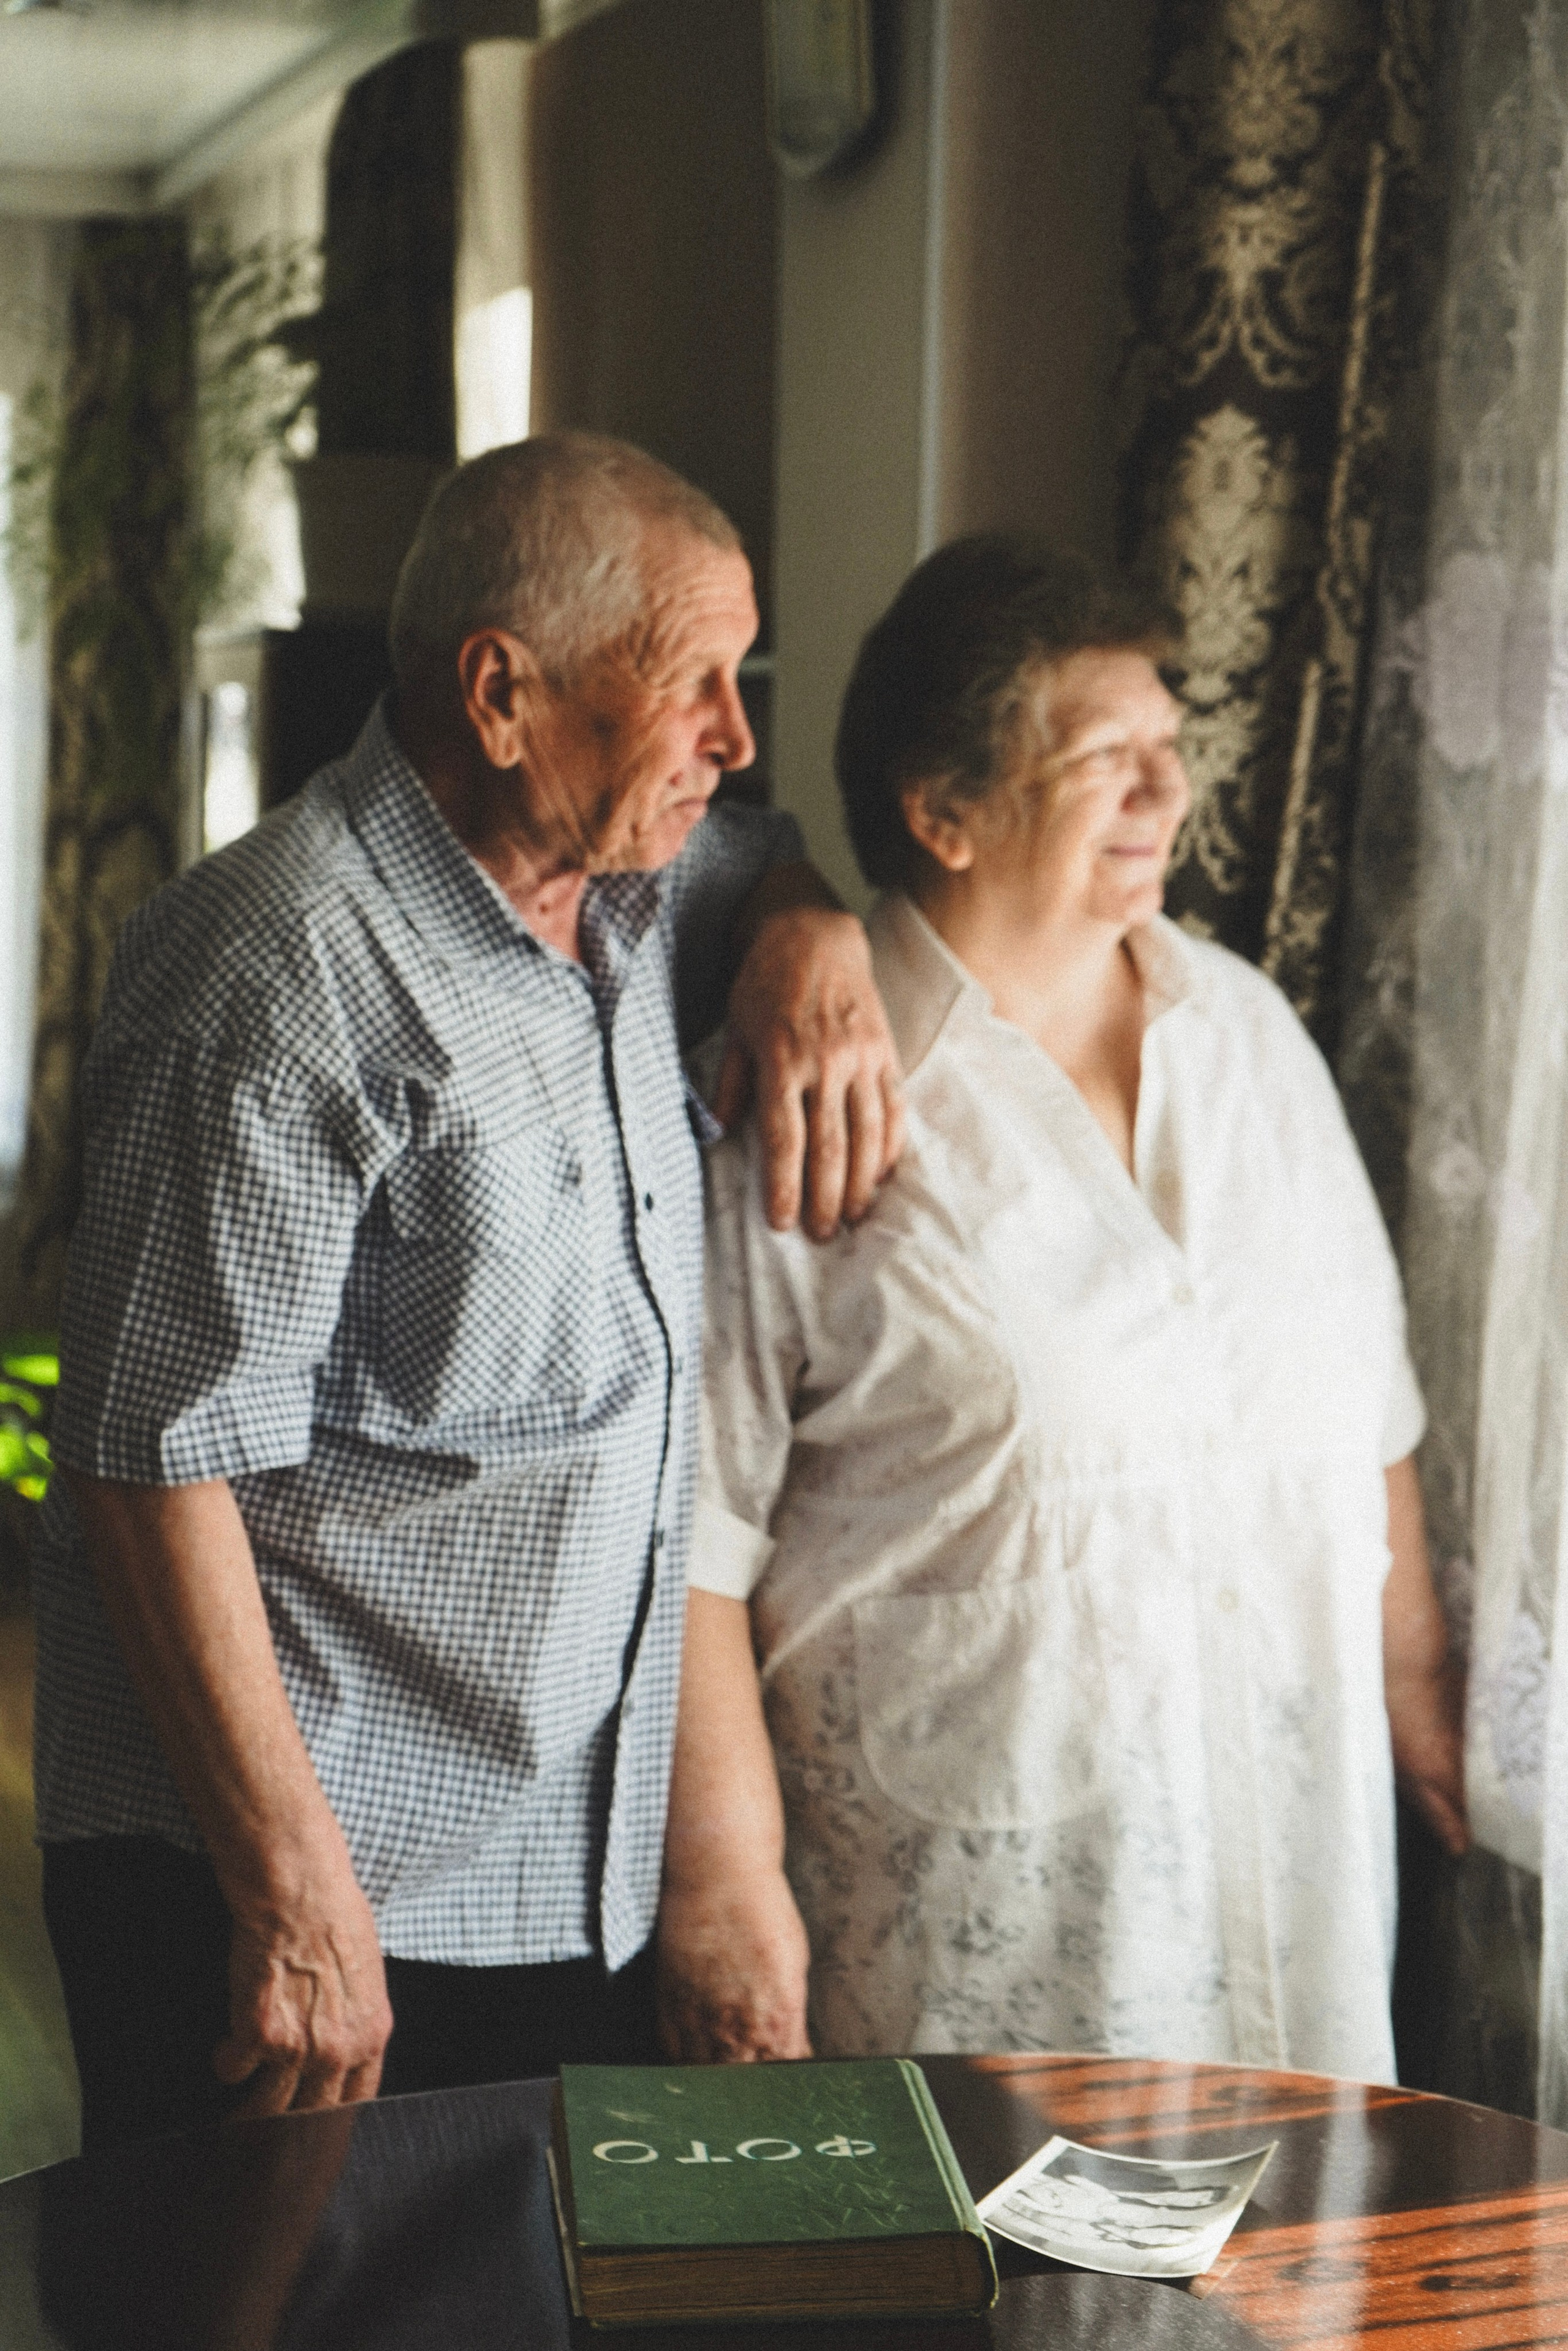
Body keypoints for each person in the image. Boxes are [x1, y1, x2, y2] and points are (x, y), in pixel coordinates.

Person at [32, 433, 902, 2152]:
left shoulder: (642, 886)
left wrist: (818, 933)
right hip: (299, 1895)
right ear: (501, 695)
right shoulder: (274, 969)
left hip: (551, 1884)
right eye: (696, 686)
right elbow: (147, 1461)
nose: (736, 738)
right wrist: (293, 1895)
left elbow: (769, 850)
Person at [657, 535, 1466, 2081]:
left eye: (1171, 749)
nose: (1168, 797)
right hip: (985, 1938)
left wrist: (1418, 1690)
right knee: (1020, 2316)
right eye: (1108, 760)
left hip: (1293, 1892)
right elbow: (691, 1539)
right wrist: (725, 1885)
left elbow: (1368, 1409)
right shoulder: (808, 1094)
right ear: (940, 811)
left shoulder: (1247, 1037)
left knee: (1283, 2304)